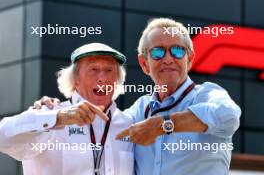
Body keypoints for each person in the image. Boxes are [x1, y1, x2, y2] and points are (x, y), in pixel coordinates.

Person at [34, 18, 241, 175]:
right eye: (158, 53)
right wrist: (53, 110)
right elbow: (101, 121)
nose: (168, 59)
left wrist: (164, 125)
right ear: (144, 64)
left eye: (177, 51)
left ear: (190, 59)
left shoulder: (207, 94)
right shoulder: (138, 110)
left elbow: (228, 116)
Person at [0, 43, 134, 175]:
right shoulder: (49, 113)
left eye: (109, 70)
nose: (102, 78)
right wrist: (57, 118)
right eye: (93, 69)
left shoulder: (129, 123)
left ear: (117, 80)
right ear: (75, 79)